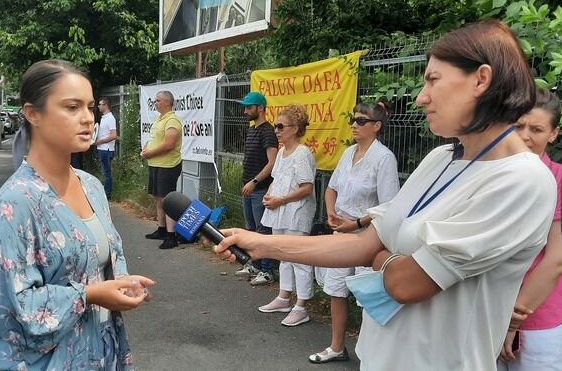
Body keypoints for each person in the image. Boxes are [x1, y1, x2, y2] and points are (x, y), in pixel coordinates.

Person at [215, 20, 556, 371]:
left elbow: (408, 283)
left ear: (481, 80)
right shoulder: (440, 158)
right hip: (381, 358)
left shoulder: (523, 180)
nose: (421, 97)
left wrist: (382, 259)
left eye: (433, 80)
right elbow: (362, 245)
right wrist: (261, 243)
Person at [0, 59, 156, 370]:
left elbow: (104, 259)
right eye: (72, 108)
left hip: (101, 351)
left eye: (90, 107)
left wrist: (122, 283)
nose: (87, 118)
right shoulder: (17, 202)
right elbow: (7, 308)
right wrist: (89, 295)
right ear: (33, 114)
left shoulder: (92, 186)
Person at [309, 101, 400, 363]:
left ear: (376, 126)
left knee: (366, 295)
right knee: (336, 290)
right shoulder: (349, 153)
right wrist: (330, 213)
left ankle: (370, 354)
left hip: (367, 235)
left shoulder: (384, 158)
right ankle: (337, 347)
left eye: (361, 121)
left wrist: (358, 223)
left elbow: (388, 206)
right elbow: (331, 188)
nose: (354, 125)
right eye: (353, 119)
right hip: (341, 230)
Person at [498, 88, 562, 371]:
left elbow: (556, 259)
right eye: (518, 126)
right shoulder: (494, 176)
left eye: (536, 129)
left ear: (553, 134)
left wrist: (512, 320)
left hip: (537, 321)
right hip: (486, 313)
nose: (524, 136)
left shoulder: (559, 178)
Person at [256, 104, 316, 326]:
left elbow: (306, 187)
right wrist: (270, 195)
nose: (277, 130)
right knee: (283, 255)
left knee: (298, 257)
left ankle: (301, 306)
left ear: (295, 128)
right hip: (280, 212)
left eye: (281, 126)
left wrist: (280, 199)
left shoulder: (302, 153)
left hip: (296, 213)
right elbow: (277, 179)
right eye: (275, 126)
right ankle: (284, 297)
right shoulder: (281, 152)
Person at [234, 91, 279, 285]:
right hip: (250, 188)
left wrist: (254, 182)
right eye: (245, 107)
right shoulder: (253, 129)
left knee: (263, 231)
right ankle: (255, 264)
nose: (245, 111)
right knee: (251, 229)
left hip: (260, 189)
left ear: (260, 108)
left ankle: (267, 270)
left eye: (249, 107)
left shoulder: (268, 131)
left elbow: (272, 163)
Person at [141, 90, 183, 250]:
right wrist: (145, 149)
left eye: (158, 100)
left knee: (167, 201)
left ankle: (171, 236)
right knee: (158, 199)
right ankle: (161, 229)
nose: (155, 103)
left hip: (168, 166)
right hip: (156, 164)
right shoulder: (159, 119)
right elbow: (154, 140)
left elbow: (169, 144)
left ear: (167, 102)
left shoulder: (172, 121)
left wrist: (149, 153)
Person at [95, 97, 117, 198]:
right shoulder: (104, 117)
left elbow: (113, 135)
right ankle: (106, 192)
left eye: (100, 104)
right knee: (105, 172)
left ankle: (107, 194)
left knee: (106, 173)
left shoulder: (110, 118)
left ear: (105, 106)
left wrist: (99, 141)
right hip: (102, 148)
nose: (98, 106)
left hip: (106, 149)